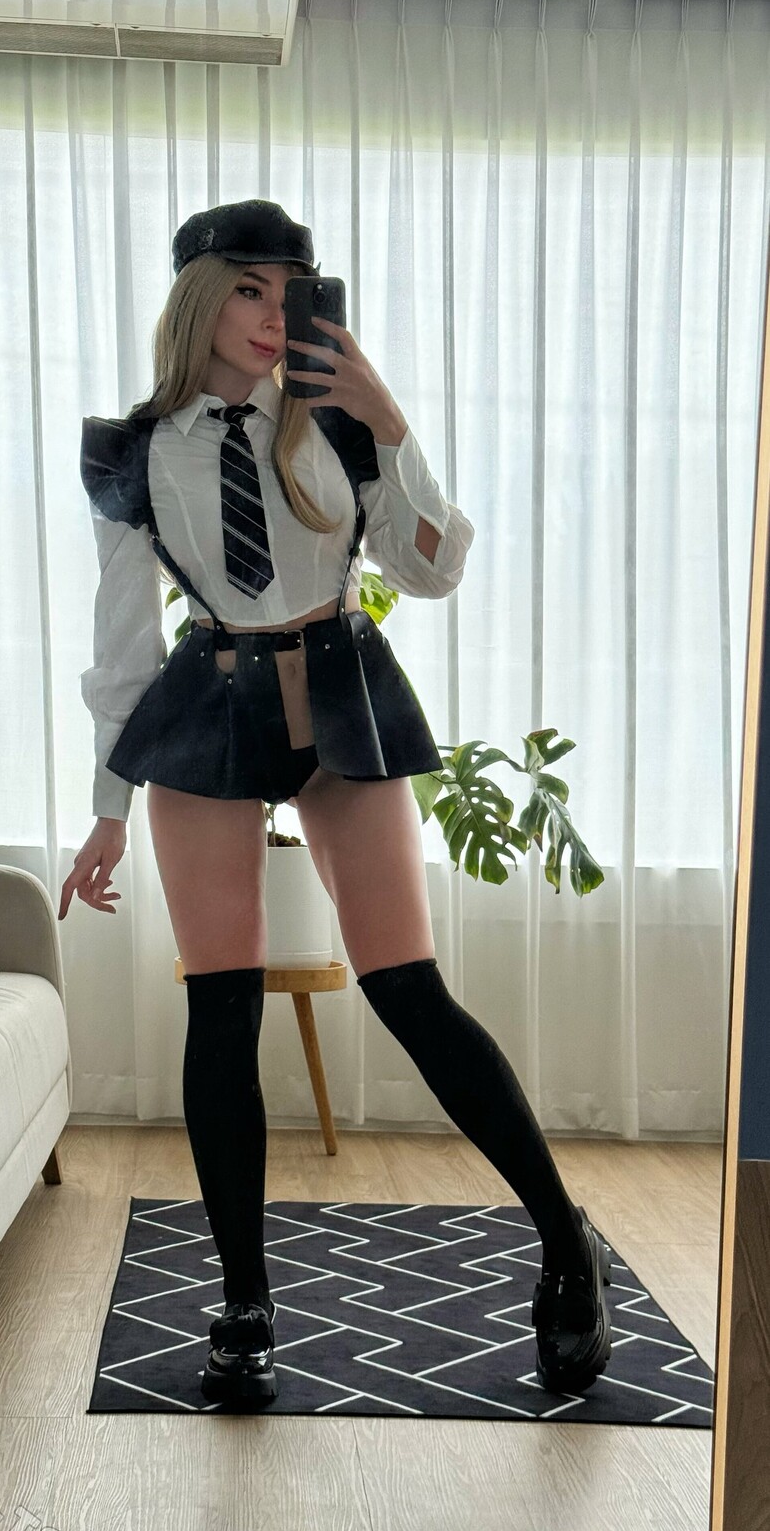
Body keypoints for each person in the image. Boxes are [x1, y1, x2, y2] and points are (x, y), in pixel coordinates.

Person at [58, 198, 613, 1410]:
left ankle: (565, 1240)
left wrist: (390, 420)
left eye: (292, 292)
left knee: (409, 989)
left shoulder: (345, 426)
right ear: (200, 297)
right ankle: (245, 1303)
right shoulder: (133, 451)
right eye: (249, 289)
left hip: (344, 696)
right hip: (208, 706)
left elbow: (434, 567)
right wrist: (106, 807)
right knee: (221, 1010)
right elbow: (119, 648)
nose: (273, 316)